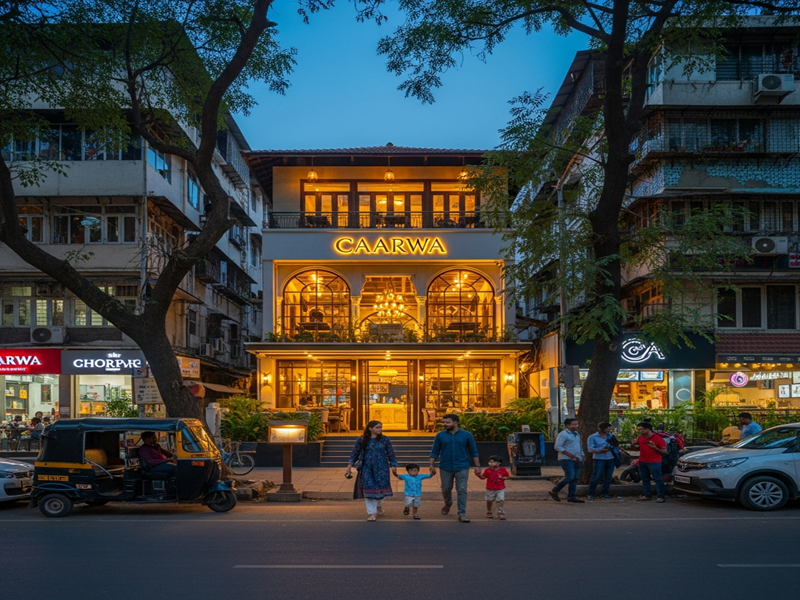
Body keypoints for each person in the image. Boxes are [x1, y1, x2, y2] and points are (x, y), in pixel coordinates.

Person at [429, 413, 481, 523]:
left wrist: (477, 466)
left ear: (455, 423)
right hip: (445, 466)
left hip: (462, 466)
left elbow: (473, 451)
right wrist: (431, 465)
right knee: (446, 488)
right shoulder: (440, 435)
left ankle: (462, 513)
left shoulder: (467, 435)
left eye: (447, 422)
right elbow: (435, 451)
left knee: (462, 490)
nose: (444, 424)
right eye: (443, 422)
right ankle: (448, 503)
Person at [346, 421, 397, 521]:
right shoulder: (362, 439)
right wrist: (350, 464)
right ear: (370, 428)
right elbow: (355, 453)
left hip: (382, 468)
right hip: (367, 468)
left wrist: (393, 465)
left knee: (380, 489)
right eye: (377, 427)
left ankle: (379, 505)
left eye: (380, 427)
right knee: (368, 489)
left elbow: (391, 453)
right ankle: (372, 513)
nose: (380, 429)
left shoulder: (385, 439)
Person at [549, 418, 585, 503]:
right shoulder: (563, 434)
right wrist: (570, 455)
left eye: (576, 424)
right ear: (567, 425)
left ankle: (571, 496)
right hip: (566, 458)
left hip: (577, 458)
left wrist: (582, 454)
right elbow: (557, 446)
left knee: (575, 478)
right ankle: (554, 490)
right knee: (570, 476)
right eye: (573, 424)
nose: (575, 426)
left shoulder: (576, 434)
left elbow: (579, 445)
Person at [635, 422, 667, 502]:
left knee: (657, 478)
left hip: (654, 461)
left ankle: (661, 496)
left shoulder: (658, 439)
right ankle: (647, 495)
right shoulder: (641, 437)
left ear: (647, 429)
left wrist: (654, 447)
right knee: (645, 478)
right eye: (639, 430)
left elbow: (664, 451)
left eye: (642, 429)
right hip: (642, 460)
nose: (640, 431)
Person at [587, 422, 615, 500]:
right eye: (607, 429)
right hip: (599, 458)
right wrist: (600, 450)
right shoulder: (593, 437)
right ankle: (591, 493)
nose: (608, 430)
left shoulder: (611, 436)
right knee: (596, 476)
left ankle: (605, 492)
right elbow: (590, 449)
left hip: (610, 458)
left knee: (608, 477)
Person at [476, 455, 510, 520]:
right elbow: (483, 477)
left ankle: (500, 512)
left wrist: (502, 478)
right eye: (490, 462)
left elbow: (507, 476)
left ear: (499, 463)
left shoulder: (503, 470)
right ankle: (489, 511)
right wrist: (478, 474)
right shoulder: (487, 470)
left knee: (500, 500)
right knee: (489, 500)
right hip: (490, 488)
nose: (491, 463)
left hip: (500, 488)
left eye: (493, 462)